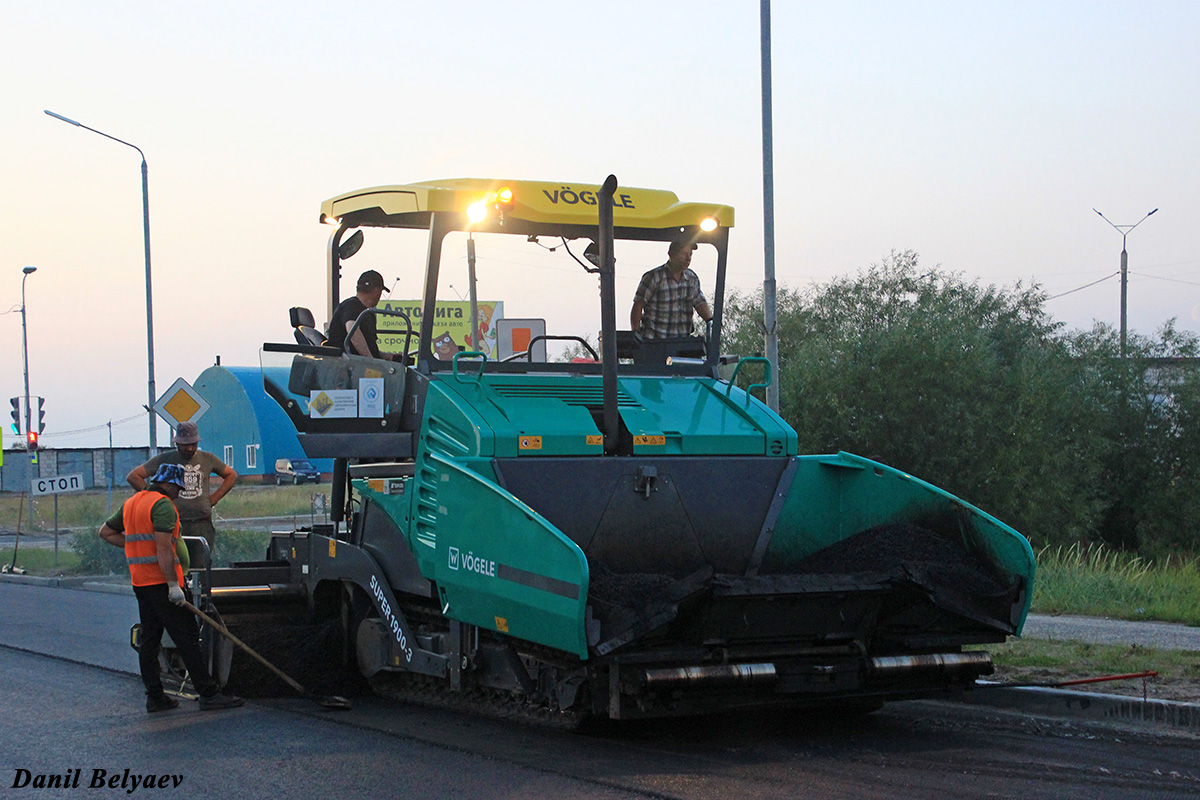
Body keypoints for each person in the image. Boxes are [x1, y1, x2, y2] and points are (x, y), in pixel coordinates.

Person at [98, 464, 243, 713]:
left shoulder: (133, 502)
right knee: (187, 639)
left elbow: (106, 532)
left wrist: (135, 548)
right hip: (162, 585)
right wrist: (174, 585)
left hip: (141, 584)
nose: (177, 492)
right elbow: (164, 548)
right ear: (167, 484)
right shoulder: (162, 505)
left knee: (150, 640)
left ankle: (155, 697)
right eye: (176, 487)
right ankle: (208, 694)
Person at [127, 421, 237, 564]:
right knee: (177, 566)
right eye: (186, 444)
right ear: (177, 443)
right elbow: (134, 476)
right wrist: (154, 498)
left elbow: (231, 475)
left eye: (193, 444)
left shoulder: (207, 458)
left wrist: (214, 498)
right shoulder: (165, 459)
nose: (190, 448)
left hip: (201, 524)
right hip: (174, 525)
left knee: (201, 570)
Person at [630, 232, 713, 340]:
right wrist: (635, 335)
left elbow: (700, 302)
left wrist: (710, 321)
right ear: (671, 254)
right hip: (654, 342)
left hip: (682, 342)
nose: (688, 258)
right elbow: (638, 306)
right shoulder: (654, 277)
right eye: (684, 254)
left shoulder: (692, 278)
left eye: (690, 254)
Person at [326, 269, 396, 359]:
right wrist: (370, 360)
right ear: (376, 291)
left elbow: (370, 349)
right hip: (347, 366)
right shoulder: (351, 306)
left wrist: (388, 356)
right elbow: (352, 330)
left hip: (356, 364)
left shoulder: (367, 314)